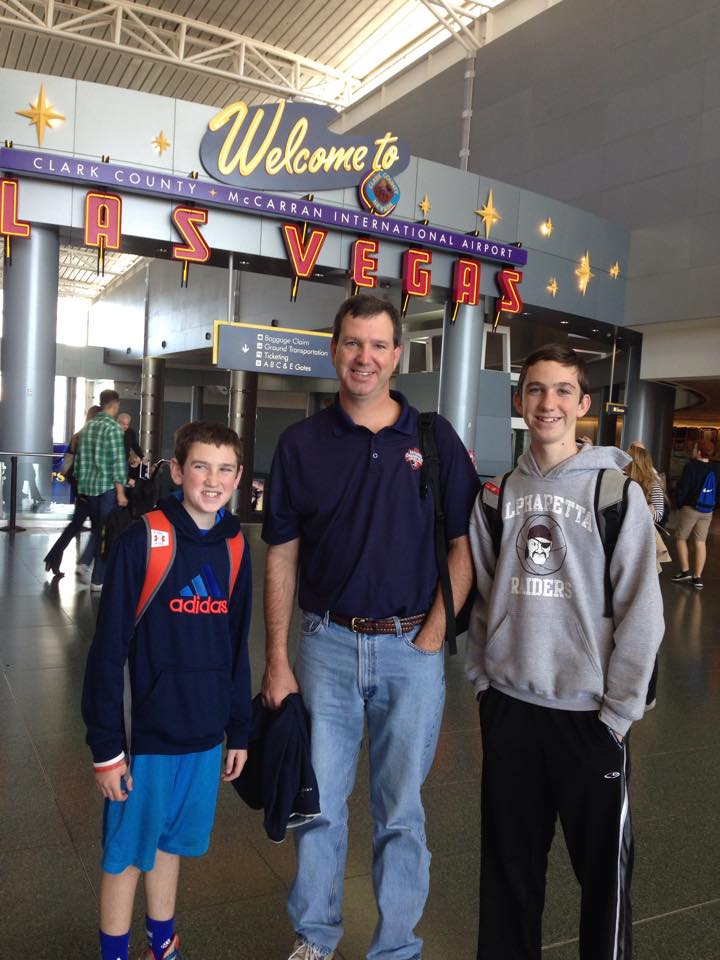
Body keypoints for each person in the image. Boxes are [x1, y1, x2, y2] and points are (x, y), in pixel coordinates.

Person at [262, 293, 479, 960]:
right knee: (319, 806)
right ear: (335, 351)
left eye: (378, 345)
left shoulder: (434, 440)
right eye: (352, 343)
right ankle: (317, 938)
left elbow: (464, 546)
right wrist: (277, 658)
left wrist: (436, 635)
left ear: (397, 356)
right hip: (324, 645)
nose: (364, 356)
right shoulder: (300, 444)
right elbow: (281, 553)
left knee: (401, 815)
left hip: (411, 649)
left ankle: (396, 949)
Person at [465, 343, 664, 960]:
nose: (547, 402)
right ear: (521, 402)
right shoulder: (495, 497)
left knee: (603, 878)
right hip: (512, 709)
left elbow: (643, 610)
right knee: (508, 872)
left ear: (583, 403)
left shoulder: (614, 493)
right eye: (535, 390)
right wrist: (482, 681)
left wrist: (618, 715)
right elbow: (483, 597)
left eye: (561, 391)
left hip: (589, 716)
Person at [81, 420, 252, 960]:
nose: (212, 479)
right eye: (200, 466)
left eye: (225, 469)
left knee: (170, 845)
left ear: (239, 477)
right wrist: (107, 747)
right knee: (127, 856)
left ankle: (162, 945)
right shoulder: (145, 540)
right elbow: (108, 650)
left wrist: (238, 729)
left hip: (202, 737)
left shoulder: (235, 546)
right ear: (178, 471)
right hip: (145, 739)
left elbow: (236, 644)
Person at [75, 389, 128, 591]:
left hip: (88, 487)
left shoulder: (88, 427)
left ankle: (92, 572)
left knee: (100, 529)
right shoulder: (113, 428)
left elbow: (79, 460)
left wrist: (80, 487)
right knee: (107, 532)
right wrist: (121, 492)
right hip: (106, 488)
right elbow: (117, 463)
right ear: (115, 404)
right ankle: (93, 573)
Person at [43, 405, 100, 577]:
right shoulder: (92, 437)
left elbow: (67, 463)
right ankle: (91, 568)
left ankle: (53, 558)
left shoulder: (78, 436)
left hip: (80, 488)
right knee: (96, 528)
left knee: (75, 526)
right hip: (90, 489)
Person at [671, 439, 718, 590]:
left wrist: (678, 503)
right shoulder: (716, 468)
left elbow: (684, 487)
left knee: (681, 538)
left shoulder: (691, 466)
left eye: (695, 447)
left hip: (690, 509)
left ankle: (685, 571)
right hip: (707, 510)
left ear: (698, 451)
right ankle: (697, 577)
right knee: (700, 542)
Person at [625, 441, 666, 523]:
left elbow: (658, 516)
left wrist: (633, 509)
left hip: (639, 531)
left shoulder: (653, 484)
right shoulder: (622, 477)